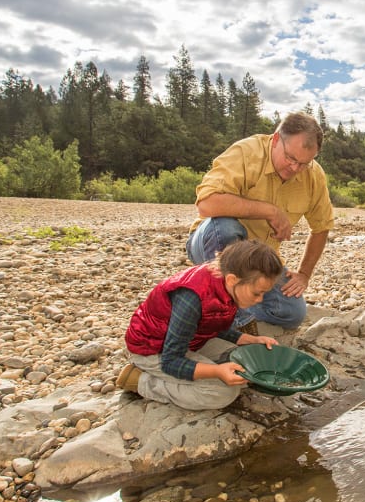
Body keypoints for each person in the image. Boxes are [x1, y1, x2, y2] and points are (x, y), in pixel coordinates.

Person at [185, 111, 334, 334]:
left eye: (304, 163)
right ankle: (230, 316)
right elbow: (207, 203)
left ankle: (221, 305)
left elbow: (321, 227)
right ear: (275, 140)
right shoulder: (246, 153)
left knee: (292, 312)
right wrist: (270, 211)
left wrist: (304, 274)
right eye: (291, 158)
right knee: (227, 228)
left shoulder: (314, 175)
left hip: (260, 259)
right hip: (212, 242)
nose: (295, 169)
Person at [115, 239, 282, 411]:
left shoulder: (227, 284)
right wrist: (216, 372)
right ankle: (141, 381)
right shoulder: (192, 298)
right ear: (232, 279)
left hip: (189, 340)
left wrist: (247, 339)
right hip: (153, 349)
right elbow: (171, 361)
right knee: (223, 392)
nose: (259, 300)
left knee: (248, 362)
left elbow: (213, 322)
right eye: (257, 293)